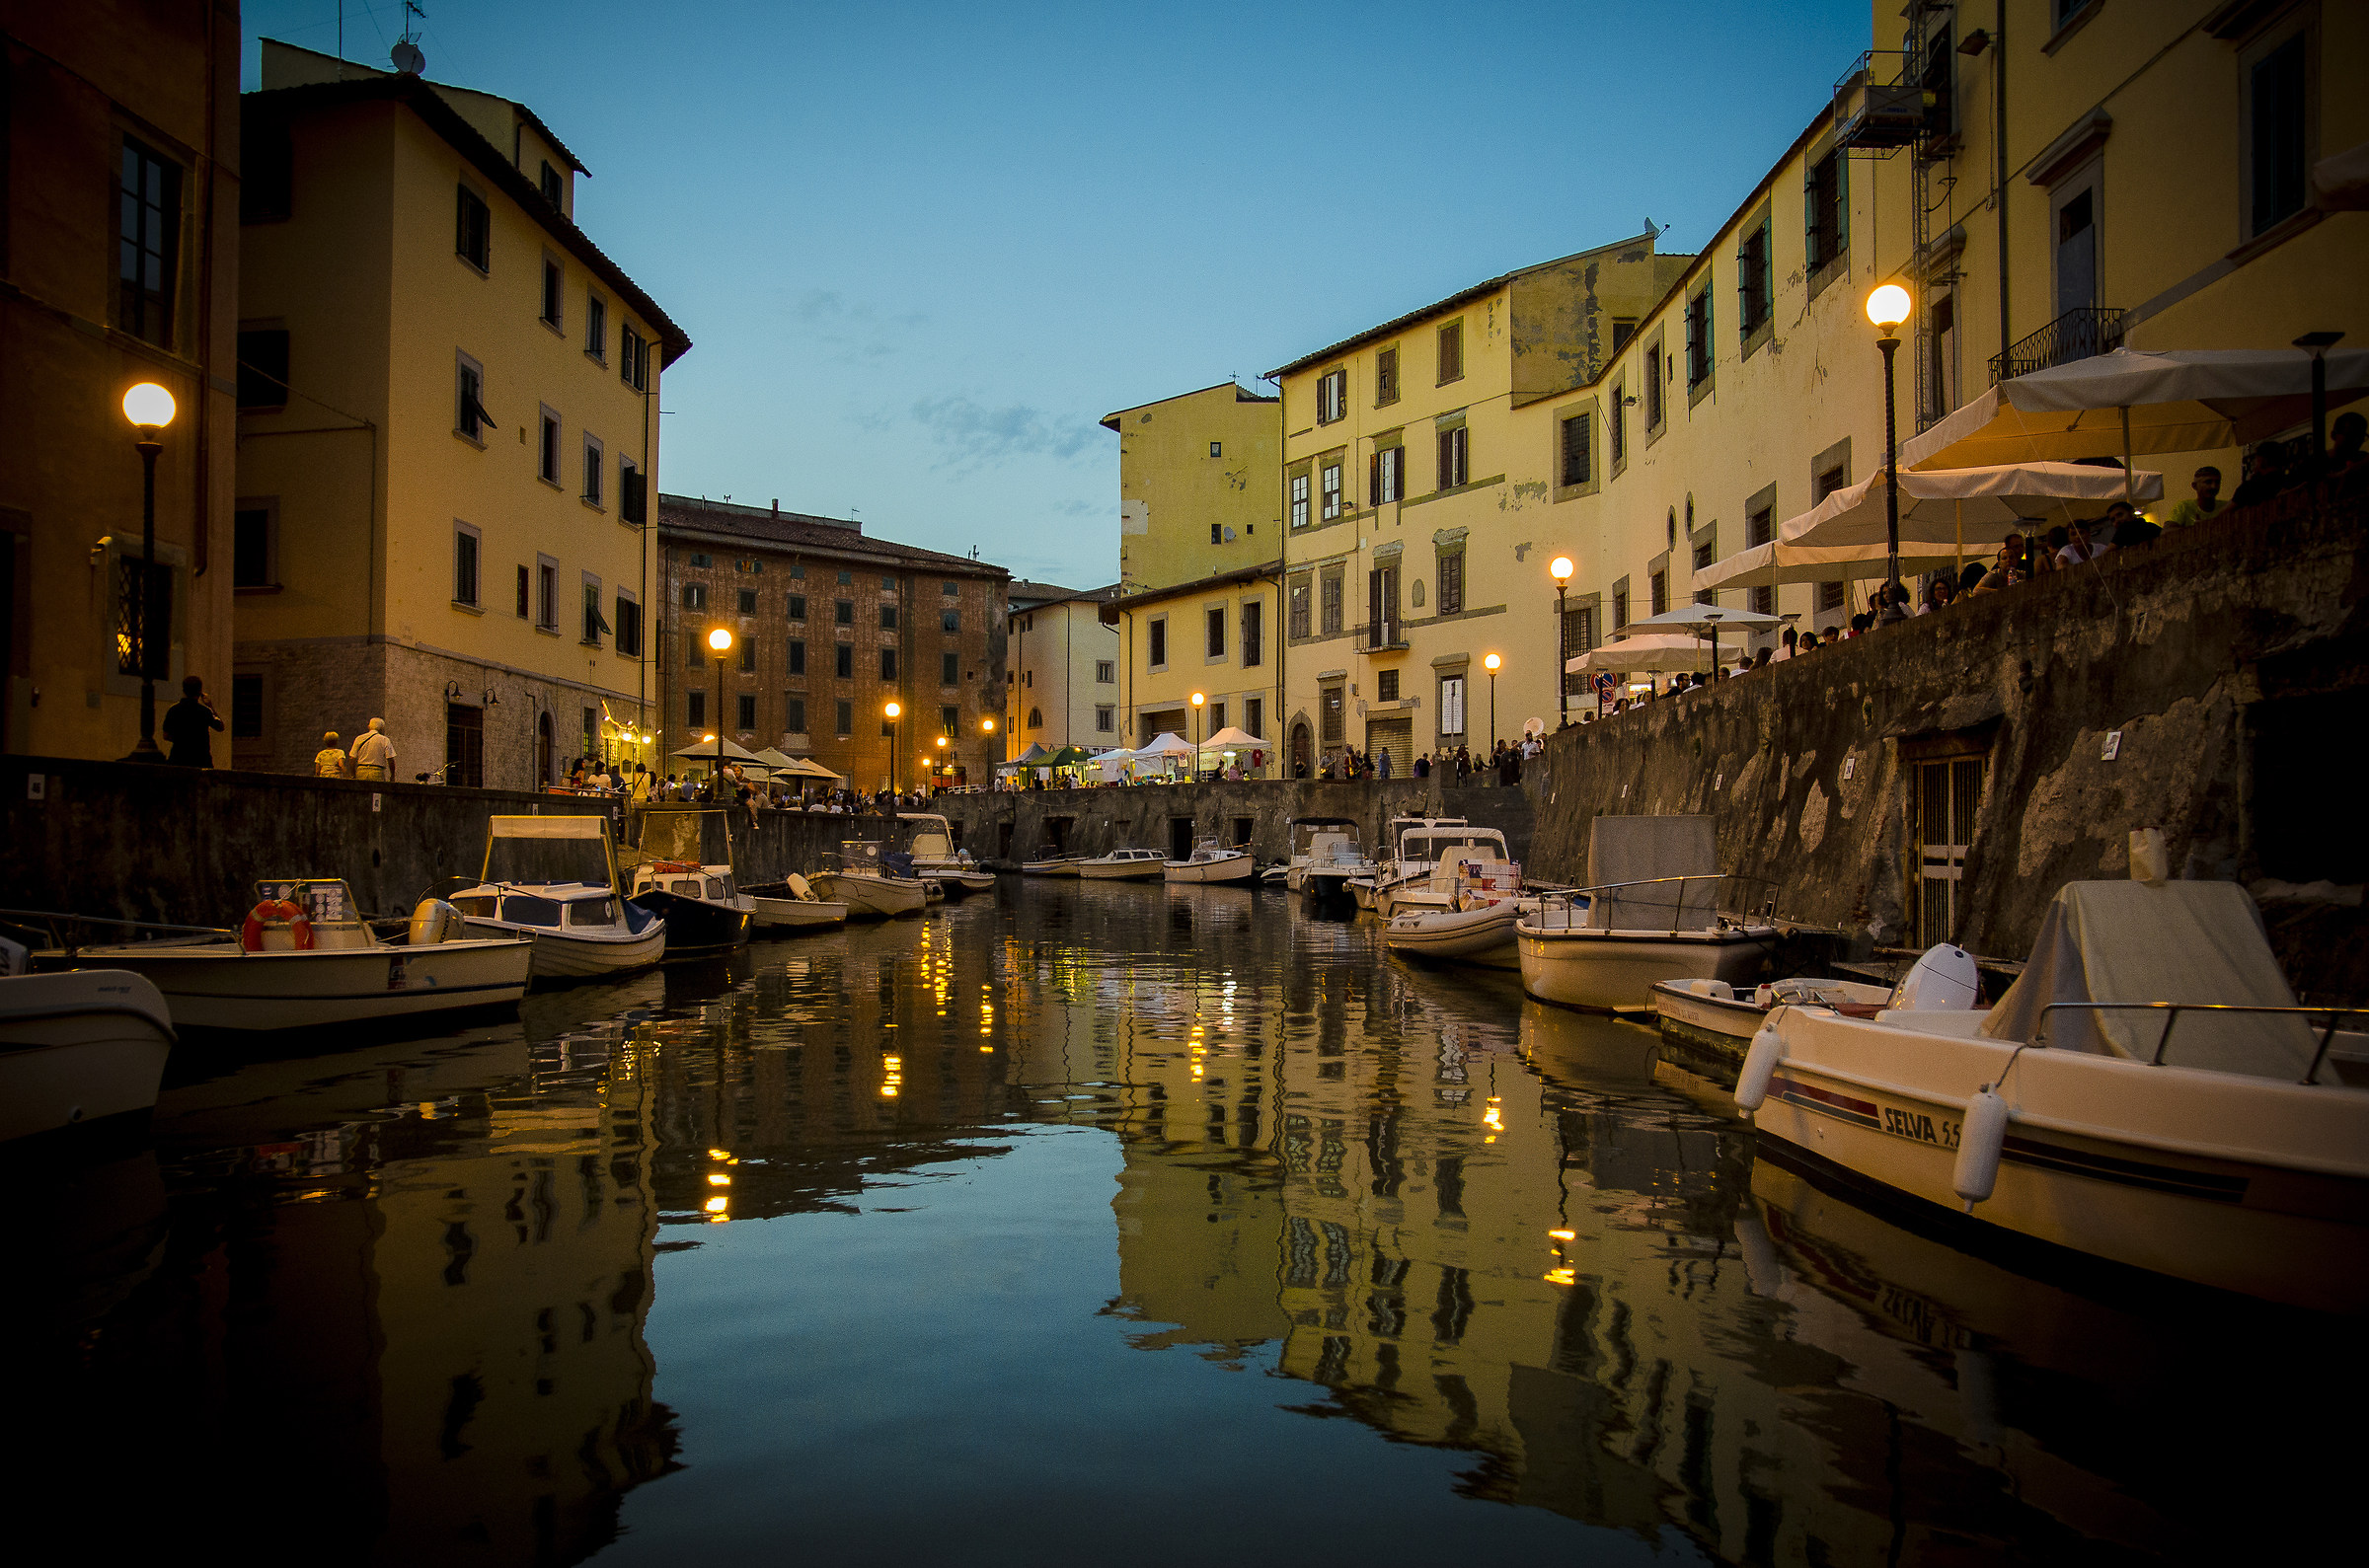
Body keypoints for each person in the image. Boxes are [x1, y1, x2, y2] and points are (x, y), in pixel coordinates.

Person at [160, 675, 222, 768]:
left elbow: (166, 735)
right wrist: (210, 706)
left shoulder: (173, 710)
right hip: (201, 760)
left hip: (178, 759)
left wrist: (181, 740)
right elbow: (220, 726)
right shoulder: (204, 711)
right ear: (200, 691)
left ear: (184, 690)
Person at [2230, 442, 2288, 507]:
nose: (2255, 463)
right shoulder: (2287, 482)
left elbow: (2226, 512)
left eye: (2256, 460)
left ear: (2262, 460)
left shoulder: (2249, 488)